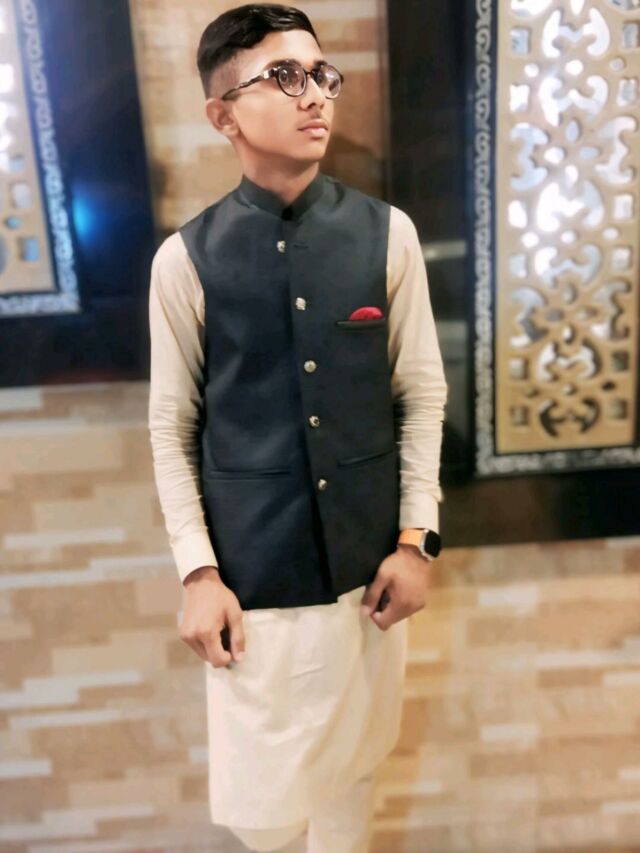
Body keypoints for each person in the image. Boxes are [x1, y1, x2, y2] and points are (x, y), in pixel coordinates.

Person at [147, 4, 448, 851]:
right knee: (263, 812)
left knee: (351, 792)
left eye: (320, 74)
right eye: (283, 77)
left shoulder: (388, 236)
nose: (314, 94)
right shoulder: (185, 260)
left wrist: (417, 541)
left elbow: (421, 394)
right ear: (223, 115)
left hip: (368, 581)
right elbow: (171, 426)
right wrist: (197, 572)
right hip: (252, 585)